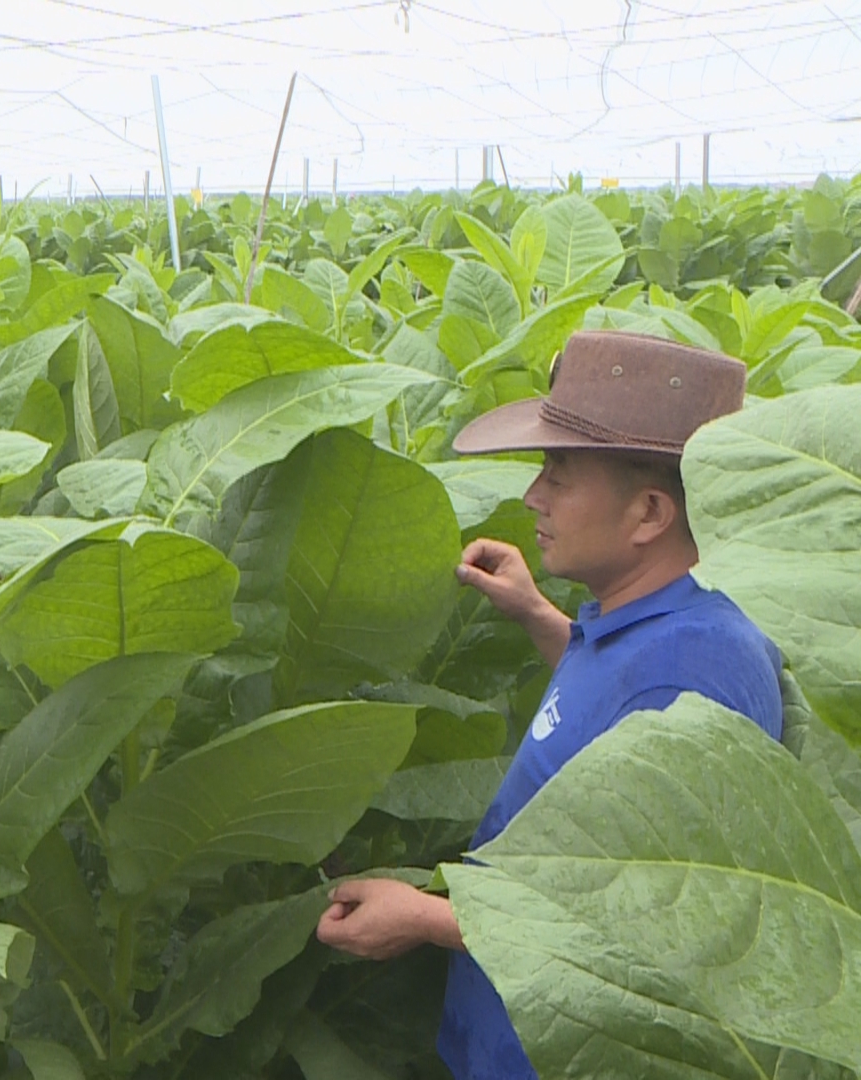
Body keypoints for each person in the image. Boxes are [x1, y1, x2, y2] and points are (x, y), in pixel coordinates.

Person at [314, 331, 783, 1080]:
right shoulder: (654, 620)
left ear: (650, 512)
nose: (533, 495)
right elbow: (618, 715)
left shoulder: (697, 667)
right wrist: (539, 616)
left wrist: (426, 919)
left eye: (558, 474)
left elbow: (653, 914)